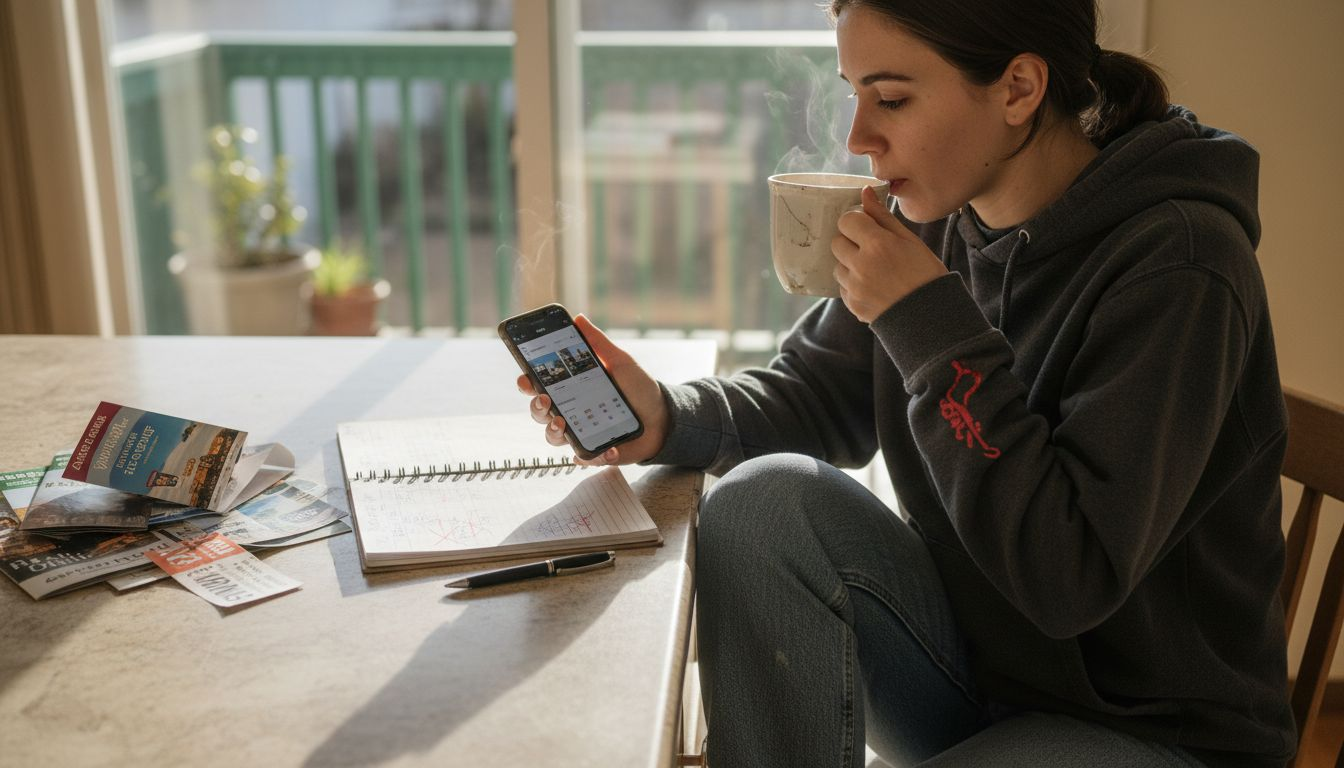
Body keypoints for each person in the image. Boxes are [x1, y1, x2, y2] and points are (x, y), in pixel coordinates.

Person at [518, 0, 1294, 765]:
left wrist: (927, 323)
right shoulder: (937, 215)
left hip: (1152, 731)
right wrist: (663, 413)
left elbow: (1070, 579)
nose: (859, 138)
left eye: (890, 98)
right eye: (854, 93)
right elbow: (818, 393)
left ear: (1019, 89)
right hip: (978, 678)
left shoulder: (1180, 263)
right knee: (760, 498)